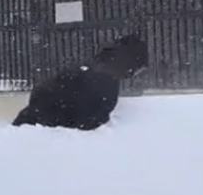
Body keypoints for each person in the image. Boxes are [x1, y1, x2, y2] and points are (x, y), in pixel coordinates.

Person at [12, 34, 149, 131]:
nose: (134, 75)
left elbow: (44, 92)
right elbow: (90, 122)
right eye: (137, 70)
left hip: (29, 123)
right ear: (131, 64)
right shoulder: (107, 80)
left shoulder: (87, 66)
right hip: (47, 135)